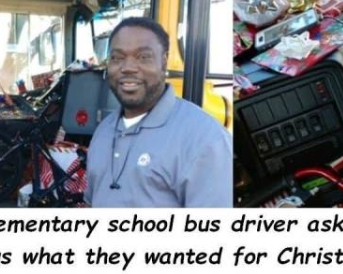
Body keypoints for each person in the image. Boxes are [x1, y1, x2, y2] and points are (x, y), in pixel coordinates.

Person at [84, 16, 233, 207]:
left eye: (143, 57)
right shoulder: (102, 132)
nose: (128, 68)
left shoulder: (205, 139)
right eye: (117, 58)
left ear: (164, 62)